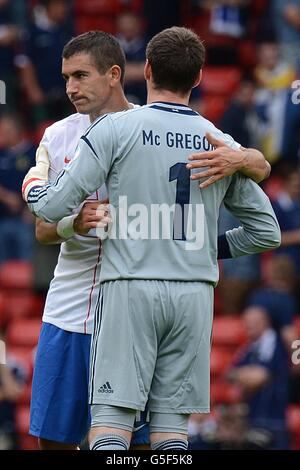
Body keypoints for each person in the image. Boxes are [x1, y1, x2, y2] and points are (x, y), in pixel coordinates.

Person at [23, 27, 278, 451]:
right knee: (167, 434)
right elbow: (265, 231)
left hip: (126, 294)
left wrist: (33, 184)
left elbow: (46, 206)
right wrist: (201, 242)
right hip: (94, 304)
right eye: (66, 77)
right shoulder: (216, 140)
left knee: (114, 431)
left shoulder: (121, 129)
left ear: (134, 71)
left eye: (80, 76)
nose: (71, 87)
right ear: (198, 78)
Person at [227, 306, 290, 450]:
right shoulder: (249, 348)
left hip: (272, 422)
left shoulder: (276, 345)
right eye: (246, 321)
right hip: (252, 420)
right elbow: (229, 374)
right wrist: (245, 374)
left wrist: (242, 375)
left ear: (265, 322)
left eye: (253, 321)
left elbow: (259, 378)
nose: (248, 326)